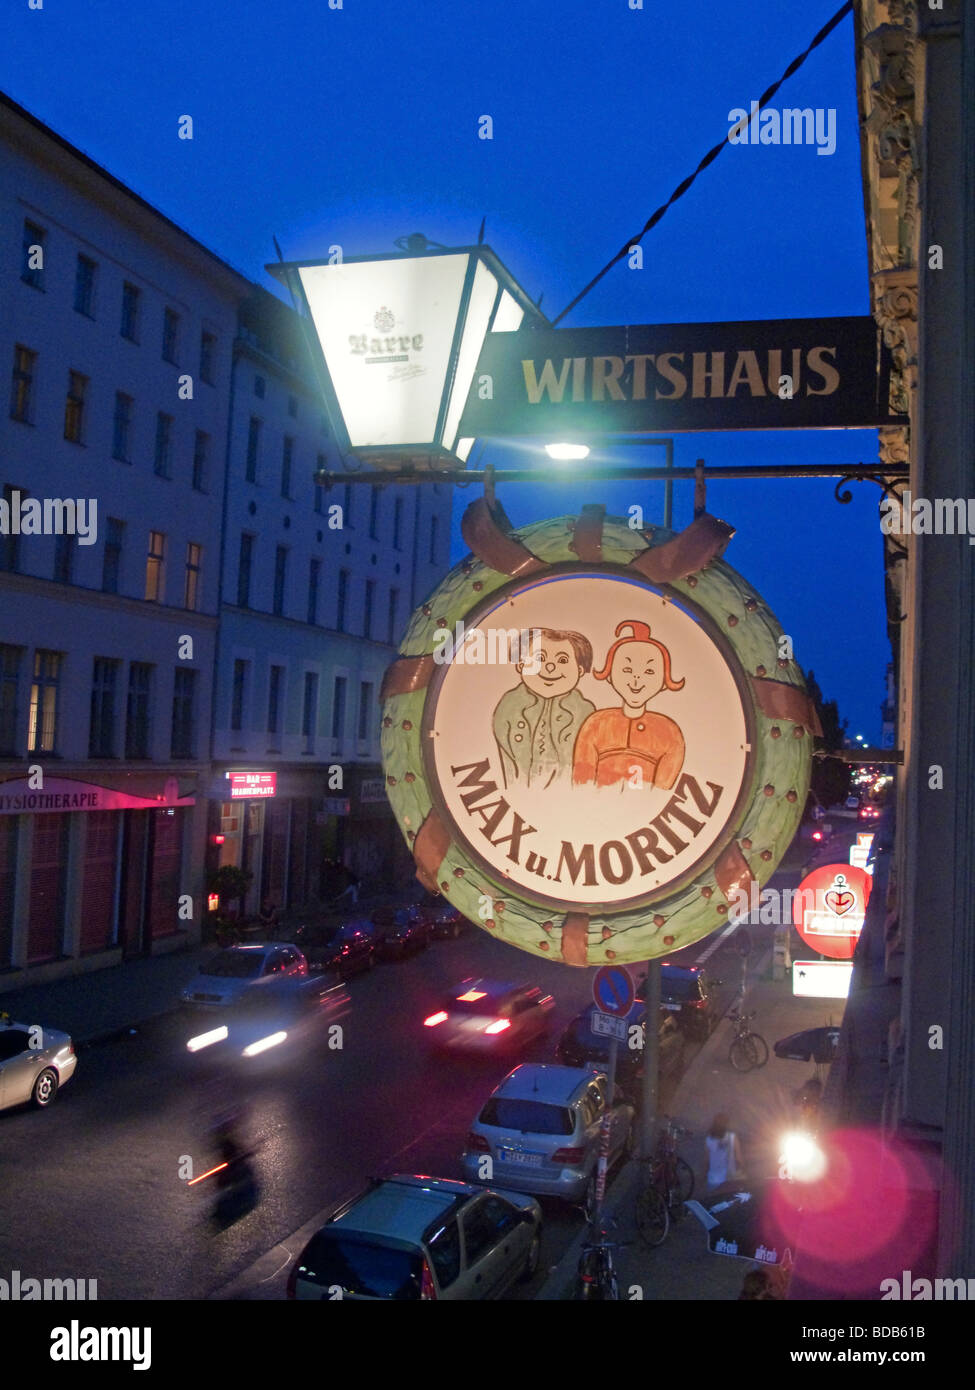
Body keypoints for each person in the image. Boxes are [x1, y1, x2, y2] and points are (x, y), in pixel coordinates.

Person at [572, 620, 686, 789]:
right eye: (627, 669)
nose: (636, 678)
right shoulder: (596, 724)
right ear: (610, 676)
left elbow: (663, 789)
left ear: (663, 682)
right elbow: (581, 781)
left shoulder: (669, 733)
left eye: (649, 671)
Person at [492, 628, 595, 789]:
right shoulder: (510, 705)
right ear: (521, 665)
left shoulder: (584, 712)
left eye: (562, 660)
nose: (550, 667)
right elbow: (508, 761)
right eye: (540, 658)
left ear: (580, 670)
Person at [705, 1112, 745, 1190]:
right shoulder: (733, 1137)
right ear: (726, 1124)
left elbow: (707, 1160)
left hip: (713, 1180)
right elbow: (739, 1158)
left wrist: (704, 1174)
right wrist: (743, 1169)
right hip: (729, 1179)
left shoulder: (709, 1139)